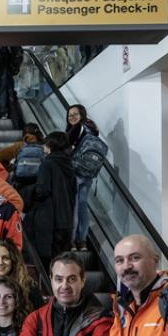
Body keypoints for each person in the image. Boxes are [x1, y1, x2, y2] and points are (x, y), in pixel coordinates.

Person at [23, 132, 75, 266]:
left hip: (50, 222)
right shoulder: (69, 165)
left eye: (45, 144)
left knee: (49, 263)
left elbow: (42, 191)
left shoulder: (47, 164)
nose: (43, 147)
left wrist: (30, 190)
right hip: (67, 221)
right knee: (62, 262)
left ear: (50, 146)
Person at [65, 105, 99, 250]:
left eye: (75, 114)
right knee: (83, 206)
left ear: (82, 115)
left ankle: (72, 241)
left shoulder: (77, 128)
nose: (72, 117)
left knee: (74, 207)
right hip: (88, 173)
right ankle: (82, 241)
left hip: (76, 171)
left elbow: (65, 147)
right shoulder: (92, 128)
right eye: (69, 115)